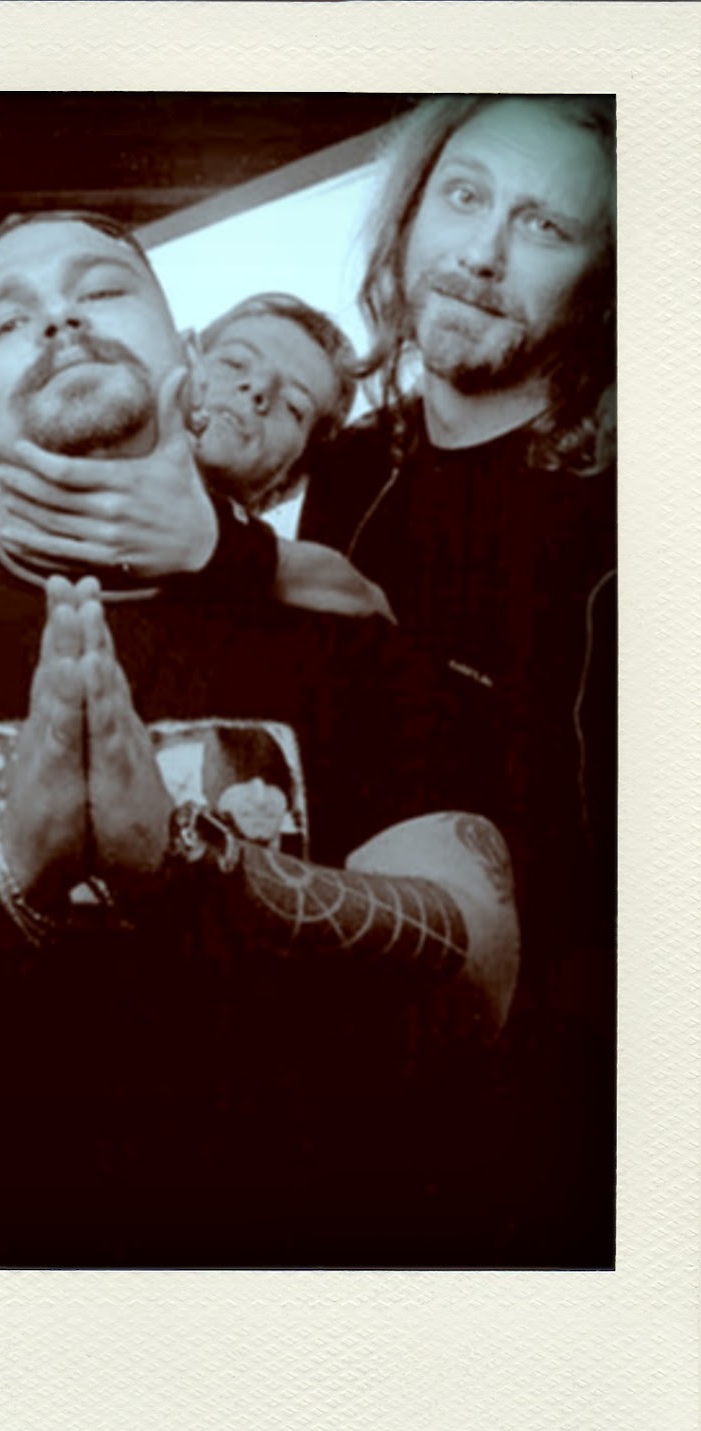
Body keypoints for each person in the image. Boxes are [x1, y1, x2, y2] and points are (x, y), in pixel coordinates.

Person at [0, 211, 520, 1269]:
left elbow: (480, 976)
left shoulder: (348, 645)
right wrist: (3, 871)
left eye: (101, 289)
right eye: (4, 321)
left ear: (186, 361)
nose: (60, 320)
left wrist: (197, 867)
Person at [297, 95, 616, 1261]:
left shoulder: (626, 502)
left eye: (544, 226)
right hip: (337, 1030)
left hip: (547, 1087)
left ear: (604, 284)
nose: (479, 254)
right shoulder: (347, 465)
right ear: (406, 220)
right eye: (463, 197)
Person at [0, 286, 391, 619]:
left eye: (294, 406)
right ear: (186, 361)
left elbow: (368, 603)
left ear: (288, 485)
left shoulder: (307, 617)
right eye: (234, 363)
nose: (259, 388)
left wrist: (217, 542)